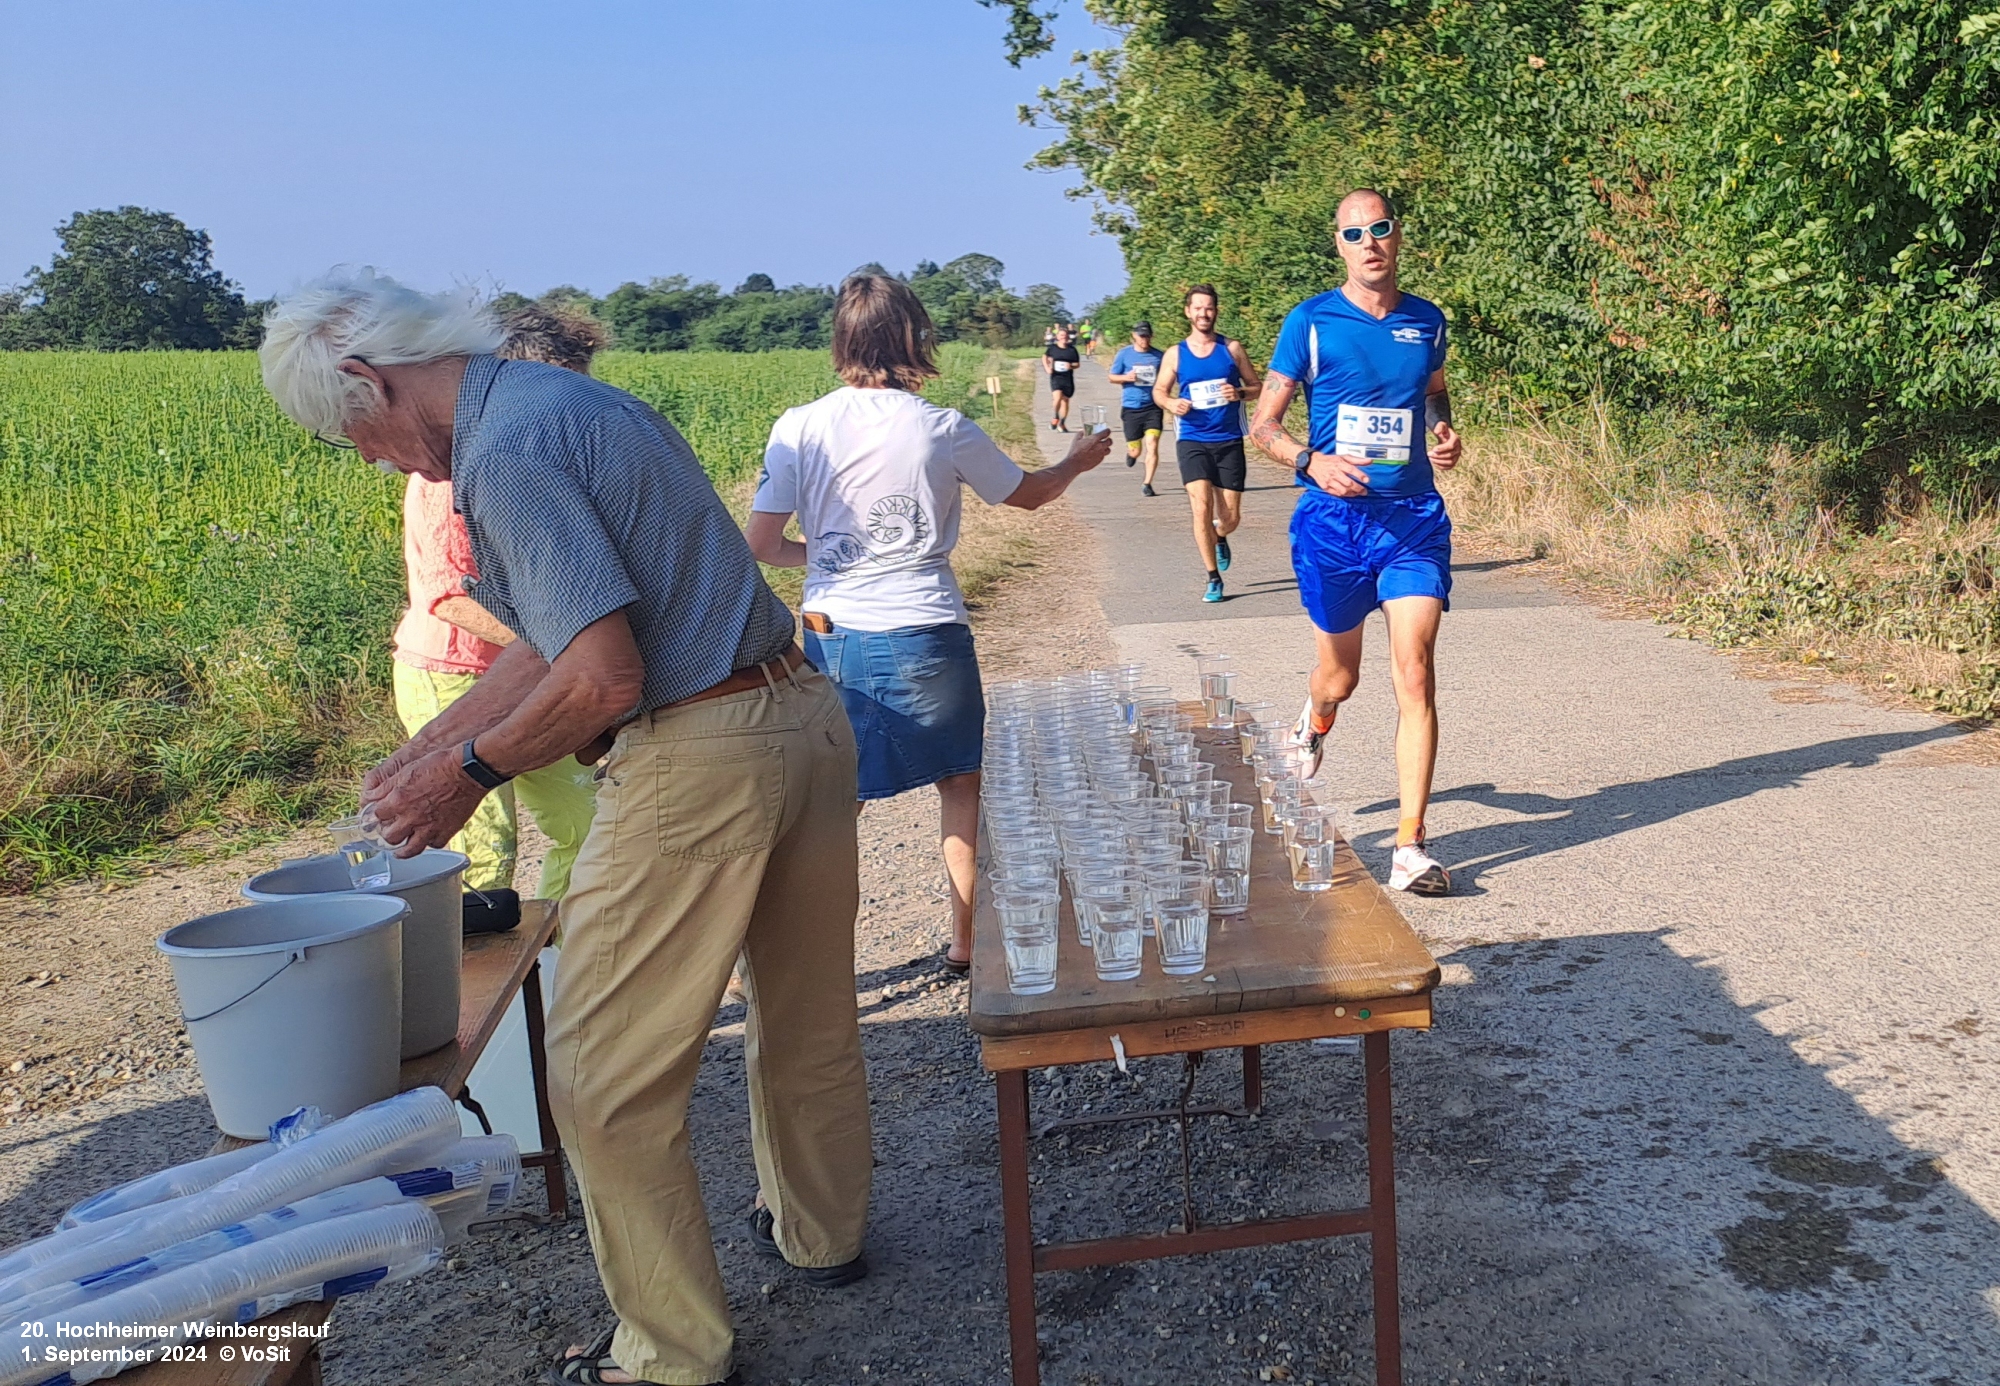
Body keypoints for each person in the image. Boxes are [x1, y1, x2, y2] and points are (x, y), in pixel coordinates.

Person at [260, 268, 870, 1386]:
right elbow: (556, 634)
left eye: (349, 433)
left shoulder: (504, 455)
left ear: (367, 380)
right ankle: (821, 1235)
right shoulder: (567, 403)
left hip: (699, 756)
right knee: (805, 1015)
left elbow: (600, 678)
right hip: (800, 716)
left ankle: (670, 1354)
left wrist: (469, 774)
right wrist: (435, 746)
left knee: (600, 1076)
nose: (368, 458)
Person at [746, 275, 1111, 971]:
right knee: (960, 780)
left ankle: (783, 956)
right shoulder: (942, 427)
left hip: (834, 631)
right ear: (914, 338)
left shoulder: (799, 425)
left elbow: (762, 544)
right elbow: (1028, 496)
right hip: (926, 626)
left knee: (836, 800)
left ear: (842, 339)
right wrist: (1074, 463)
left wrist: (833, 557)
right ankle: (965, 940)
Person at [1248, 189, 1463, 896]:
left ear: (1397, 236)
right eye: (1354, 233)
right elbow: (1263, 425)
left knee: (1416, 672)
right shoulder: (1311, 321)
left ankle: (1409, 847)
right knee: (1340, 678)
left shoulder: (1426, 320)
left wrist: (1442, 430)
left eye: (1380, 228)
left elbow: (1433, 390)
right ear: (1338, 244)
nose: (1369, 242)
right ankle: (1314, 721)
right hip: (1334, 526)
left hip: (1411, 521)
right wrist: (1310, 461)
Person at [388, 303, 605, 901]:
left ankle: (556, 950)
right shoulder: (451, 470)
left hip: (528, 672)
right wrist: (570, 646)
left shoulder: (532, 457)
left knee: (587, 824)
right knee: (482, 851)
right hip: (451, 675)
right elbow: (448, 597)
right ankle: (473, 961)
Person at [1152, 285, 1262, 603]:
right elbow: (1159, 391)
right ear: (1188, 312)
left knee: (1230, 518)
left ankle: (1220, 535)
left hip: (1228, 440)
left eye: (1209, 308)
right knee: (1201, 507)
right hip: (1192, 439)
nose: (1204, 313)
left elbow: (1257, 386)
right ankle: (1213, 578)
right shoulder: (1175, 353)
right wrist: (1171, 404)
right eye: (1198, 308)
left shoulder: (1232, 349)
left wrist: (1239, 393)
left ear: (1216, 311)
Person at [1107, 320, 1166, 495]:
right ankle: (1132, 455)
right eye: (1141, 336)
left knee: (1152, 443)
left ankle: (1147, 483)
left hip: (1153, 407)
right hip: (1131, 407)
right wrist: (1126, 377)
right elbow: (1112, 377)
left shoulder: (1159, 356)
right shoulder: (1124, 354)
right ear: (1134, 336)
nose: (1144, 339)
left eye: (1147, 336)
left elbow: (1167, 377)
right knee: (1135, 449)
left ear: (1151, 336)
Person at [1043, 324, 1081, 431]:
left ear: (1068, 337)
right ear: (1057, 337)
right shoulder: (1053, 348)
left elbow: (1077, 364)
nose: (1063, 337)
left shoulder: (1072, 350)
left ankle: (1062, 423)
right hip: (1056, 376)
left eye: (1065, 335)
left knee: (1065, 401)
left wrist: (1071, 366)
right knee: (1057, 397)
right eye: (1061, 335)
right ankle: (1055, 416)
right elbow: (1044, 357)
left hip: (1067, 377)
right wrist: (1047, 368)